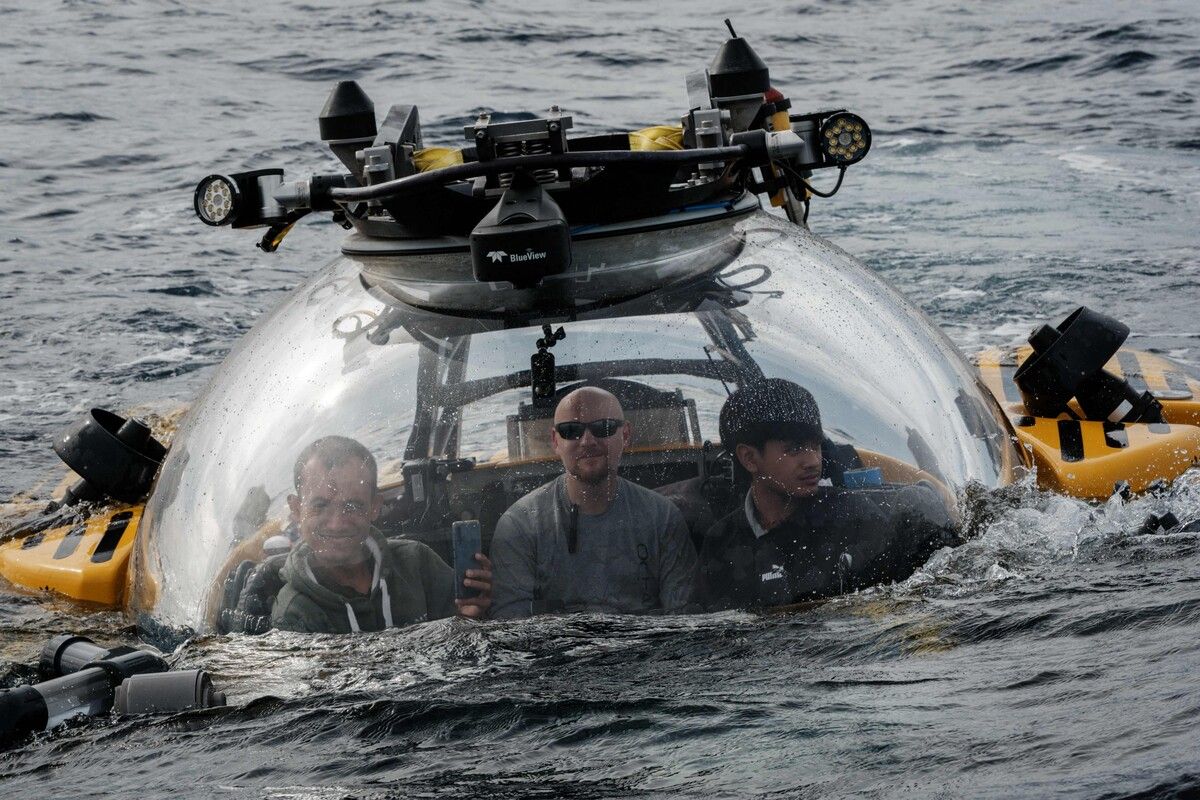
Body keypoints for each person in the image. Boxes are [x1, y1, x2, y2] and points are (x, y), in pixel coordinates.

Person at [699, 378, 958, 611]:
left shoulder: (853, 516)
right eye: (794, 449)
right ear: (749, 458)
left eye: (816, 446)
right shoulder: (720, 542)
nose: (812, 461)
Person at [490, 386, 699, 618]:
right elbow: (511, 625)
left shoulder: (663, 518)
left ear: (626, 435)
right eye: (571, 431)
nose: (588, 441)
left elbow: (683, 618)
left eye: (604, 427)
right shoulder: (519, 525)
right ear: (555, 440)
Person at [271, 436, 492, 633]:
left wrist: (471, 619)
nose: (337, 524)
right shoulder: (294, 614)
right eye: (320, 505)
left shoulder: (418, 564)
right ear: (297, 509)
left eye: (352, 506)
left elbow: (464, 640)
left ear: (375, 506)